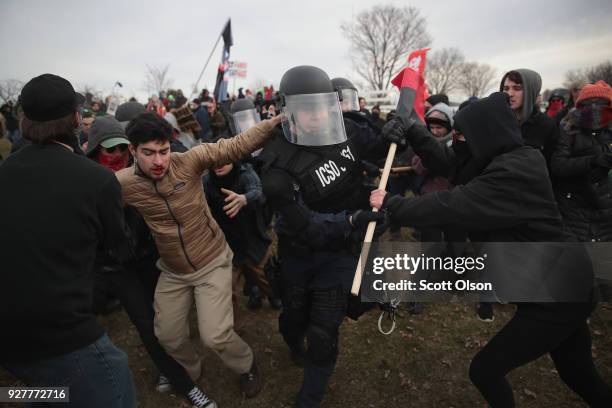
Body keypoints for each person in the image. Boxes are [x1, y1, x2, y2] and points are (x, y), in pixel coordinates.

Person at [371, 91, 612, 407]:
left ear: (484, 133)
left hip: (558, 294)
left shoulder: (516, 171)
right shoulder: (500, 158)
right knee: (578, 375)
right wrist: (413, 129)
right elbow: (447, 163)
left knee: (484, 371)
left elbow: (454, 205)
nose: (458, 140)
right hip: (556, 286)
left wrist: (393, 204)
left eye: (462, 134)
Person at [115, 111, 282, 399]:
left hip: (212, 260)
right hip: (172, 269)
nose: (158, 161)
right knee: (167, 335)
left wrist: (271, 124)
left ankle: (246, 364)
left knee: (215, 334)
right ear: (132, 150)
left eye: (164, 151)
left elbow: (234, 146)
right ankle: (189, 372)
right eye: (149, 153)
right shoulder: (122, 184)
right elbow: (87, 200)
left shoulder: (189, 161)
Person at [0, 73, 136, 407]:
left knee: (48, 391)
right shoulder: (98, 180)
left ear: (25, 121)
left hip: (10, 338)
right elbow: (119, 250)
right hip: (62, 334)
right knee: (114, 384)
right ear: (77, 119)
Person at [259, 66, 391, 408]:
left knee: (322, 334)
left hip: (338, 255)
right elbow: (308, 226)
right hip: (300, 253)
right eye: (306, 109)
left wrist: (371, 193)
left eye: (321, 107)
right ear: (289, 112)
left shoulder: (347, 132)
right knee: (294, 319)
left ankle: (310, 398)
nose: (316, 116)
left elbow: (371, 162)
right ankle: (291, 342)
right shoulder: (277, 166)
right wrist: (353, 219)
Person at [85, 116, 216, 407]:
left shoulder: (141, 173)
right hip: (114, 268)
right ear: (94, 150)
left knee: (167, 319)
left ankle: (170, 366)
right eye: (109, 150)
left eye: (122, 149)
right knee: (146, 324)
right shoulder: (87, 181)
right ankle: (185, 384)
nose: (117, 156)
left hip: (148, 258)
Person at [500, 69, 558, 167]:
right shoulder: (497, 121)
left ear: (531, 91)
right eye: (506, 88)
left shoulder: (546, 125)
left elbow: (550, 166)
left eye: (517, 88)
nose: (509, 94)